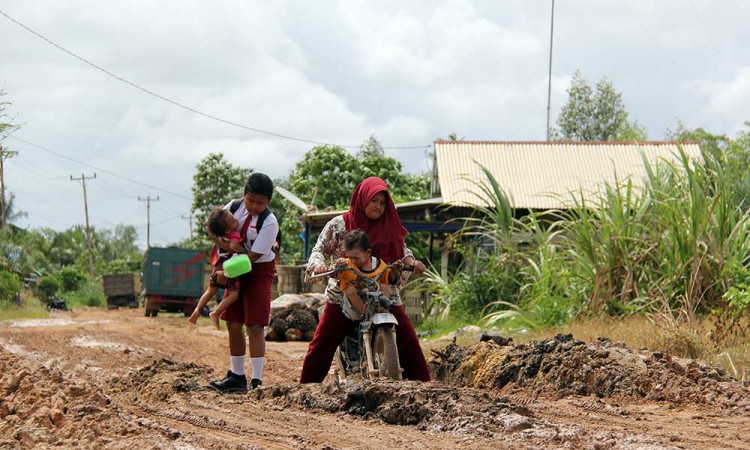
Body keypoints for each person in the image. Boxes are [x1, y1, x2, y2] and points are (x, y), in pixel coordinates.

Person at [300, 176, 431, 383]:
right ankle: (306, 386)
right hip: (346, 289)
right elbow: (319, 249)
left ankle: (424, 387)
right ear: (362, 198)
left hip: (381, 287)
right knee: (324, 340)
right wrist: (319, 264)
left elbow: (403, 251)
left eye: (382, 202)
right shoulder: (341, 224)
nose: (378, 207)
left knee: (408, 338)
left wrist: (412, 262)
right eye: (373, 201)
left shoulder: (390, 224)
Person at [209, 173, 279, 393]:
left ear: (268, 202)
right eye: (250, 201)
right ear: (244, 196)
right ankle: (237, 376)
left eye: (260, 203)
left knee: (255, 325)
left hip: (256, 271)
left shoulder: (269, 222)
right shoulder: (234, 206)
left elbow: (250, 259)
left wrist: (227, 273)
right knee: (233, 322)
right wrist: (227, 247)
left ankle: (257, 381)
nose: (253, 207)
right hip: (233, 265)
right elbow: (210, 225)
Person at [187, 207, 243, 330]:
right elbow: (233, 246)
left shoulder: (220, 233)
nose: (236, 220)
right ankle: (216, 312)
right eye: (233, 220)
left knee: (210, 291)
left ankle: (197, 310)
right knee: (234, 295)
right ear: (228, 230)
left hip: (218, 263)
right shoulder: (233, 234)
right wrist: (244, 251)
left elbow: (209, 223)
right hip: (229, 265)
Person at [334, 229, 396, 319]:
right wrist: (338, 265)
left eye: (356, 258)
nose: (353, 261)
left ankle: (383, 312)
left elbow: (389, 278)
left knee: (384, 286)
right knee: (350, 290)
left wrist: (395, 269)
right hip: (354, 307)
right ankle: (368, 315)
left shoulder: (379, 265)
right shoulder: (346, 265)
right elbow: (334, 272)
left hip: (375, 298)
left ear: (368, 253)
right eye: (350, 257)